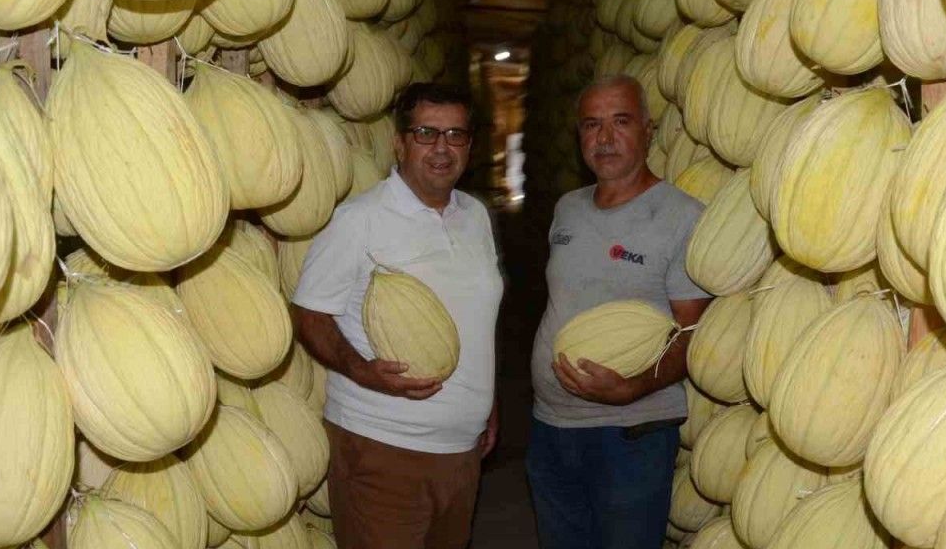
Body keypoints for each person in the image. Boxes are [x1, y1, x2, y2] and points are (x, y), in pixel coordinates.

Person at [293, 83, 504, 549]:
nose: (442, 148)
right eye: (426, 133)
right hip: (383, 450)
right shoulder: (359, 219)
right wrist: (361, 371)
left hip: (461, 453)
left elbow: (476, 315)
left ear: (470, 145)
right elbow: (309, 313)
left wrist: (486, 402)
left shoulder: (474, 216)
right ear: (400, 143)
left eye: (456, 134)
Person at [527, 74, 713, 549]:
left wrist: (632, 389)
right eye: (592, 125)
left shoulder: (682, 217)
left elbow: (694, 331)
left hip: (631, 435)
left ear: (648, 131)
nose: (605, 138)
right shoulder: (567, 208)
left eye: (621, 122)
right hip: (551, 426)